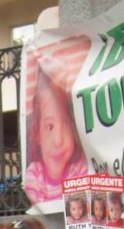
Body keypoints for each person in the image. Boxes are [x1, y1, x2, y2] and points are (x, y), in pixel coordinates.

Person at [24, 70, 86, 206]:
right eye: (50, 127)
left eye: (65, 124)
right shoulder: (35, 174)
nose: (58, 141)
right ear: (37, 135)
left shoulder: (79, 168)